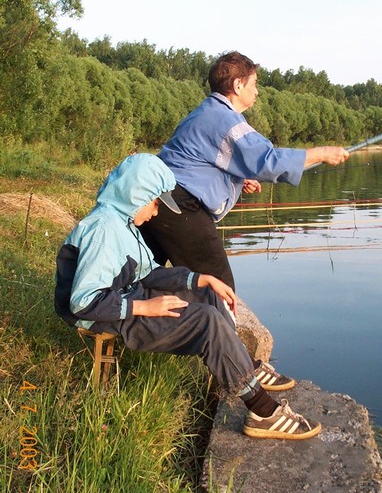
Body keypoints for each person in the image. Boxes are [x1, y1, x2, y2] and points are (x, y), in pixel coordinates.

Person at [54, 153, 321, 440]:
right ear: (136, 196)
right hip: (106, 315)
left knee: (206, 293)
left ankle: (245, 365)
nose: (156, 213)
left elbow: (146, 274)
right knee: (206, 322)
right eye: (156, 203)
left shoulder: (122, 223)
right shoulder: (103, 231)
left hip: (127, 295)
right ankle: (262, 411)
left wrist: (200, 279)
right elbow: (83, 301)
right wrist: (145, 307)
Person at [140, 51, 349, 292]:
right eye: (254, 83)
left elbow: (198, 162)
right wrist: (321, 153)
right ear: (238, 85)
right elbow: (267, 160)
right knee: (218, 288)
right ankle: (216, 328)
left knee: (145, 276)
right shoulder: (226, 119)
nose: (257, 91)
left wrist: (240, 177)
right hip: (180, 207)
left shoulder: (202, 113)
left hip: (155, 202)